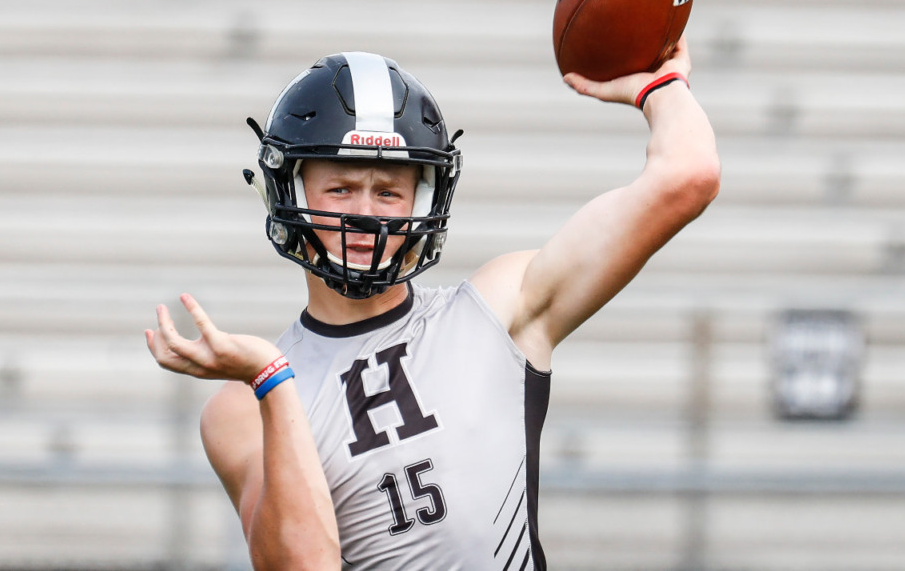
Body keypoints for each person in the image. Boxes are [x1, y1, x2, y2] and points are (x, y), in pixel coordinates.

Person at [146, 40, 719, 570]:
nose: (367, 213)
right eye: (340, 188)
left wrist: (661, 87)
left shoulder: (498, 310)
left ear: (426, 199)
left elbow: (688, 176)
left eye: (389, 191)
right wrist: (272, 379)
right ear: (288, 192)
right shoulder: (243, 406)